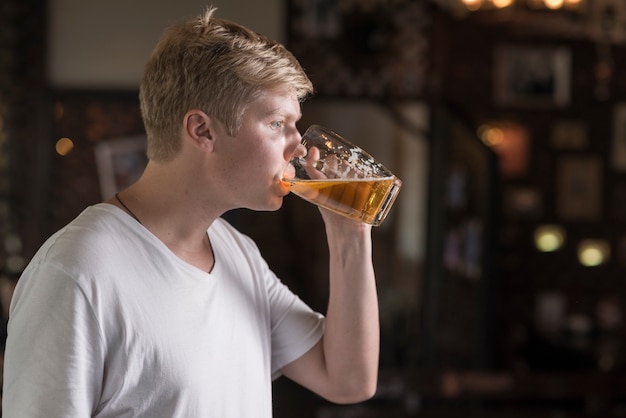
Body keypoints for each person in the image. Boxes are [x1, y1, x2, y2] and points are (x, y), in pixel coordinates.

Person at [2, 6, 380, 417]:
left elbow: (348, 381)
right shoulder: (75, 272)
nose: (300, 147)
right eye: (277, 123)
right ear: (202, 130)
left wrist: (350, 234)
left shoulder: (240, 255)